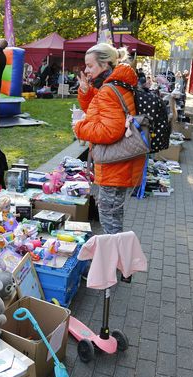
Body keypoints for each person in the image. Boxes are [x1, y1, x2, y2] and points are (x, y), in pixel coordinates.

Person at [74, 43, 146, 234]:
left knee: (110, 221)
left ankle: (114, 261)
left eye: (90, 66)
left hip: (114, 165)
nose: (86, 70)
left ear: (105, 65)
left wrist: (79, 127)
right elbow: (99, 111)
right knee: (114, 217)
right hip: (120, 163)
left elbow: (109, 131)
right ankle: (117, 259)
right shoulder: (116, 85)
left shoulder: (108, 89)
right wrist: (85, 91)